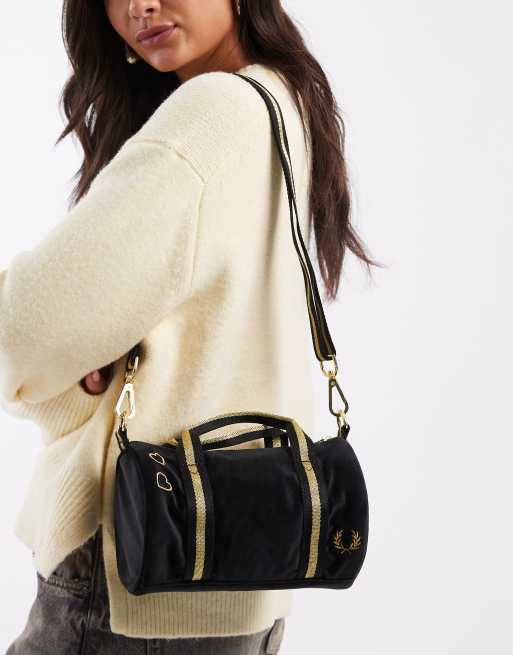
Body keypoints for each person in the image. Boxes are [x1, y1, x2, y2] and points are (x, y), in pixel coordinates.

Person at [1, 0, 377, 653]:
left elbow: (21, 329)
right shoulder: (283, 102)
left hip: (134, 573)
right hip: (245, 574)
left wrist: (68, 391)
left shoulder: (214, 112)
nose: (138, 6)